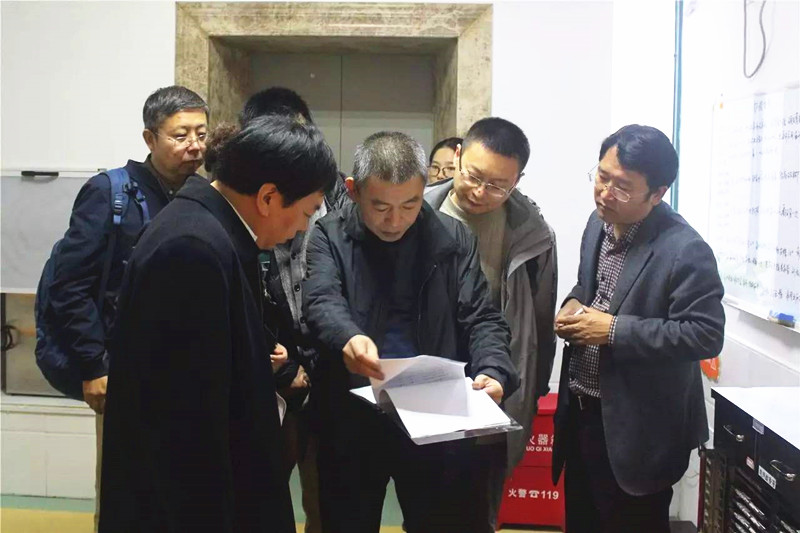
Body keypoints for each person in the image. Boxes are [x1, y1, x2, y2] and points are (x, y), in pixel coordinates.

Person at [99, 114, 339, 533]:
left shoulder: (211, 231)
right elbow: (188, 432)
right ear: (268, 197)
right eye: (306, 211)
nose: (304, 226)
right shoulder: (193, 250)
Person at [303, 131, 519, 533]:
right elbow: (321, 300)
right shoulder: (329, 235)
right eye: (380, 206)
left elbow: (481, 316)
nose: (396, 220)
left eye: (410, 204)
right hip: (352, 415)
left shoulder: (452, 237)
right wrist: (349, 337)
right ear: (353, 190)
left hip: (432, 415)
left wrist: (494, 370)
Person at [47, 85, 208, 531]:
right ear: (150, 138)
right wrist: (93, 365)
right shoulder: (110, 192)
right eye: (180, 135)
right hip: (122, 371)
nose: (194, 145)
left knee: (180, 493)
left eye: (201, 133)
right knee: (124, 493)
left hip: (186, 372)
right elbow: (70, 284)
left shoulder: (203, 194)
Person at [552, 124, 725, 533]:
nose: (605, 193)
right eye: (602, 176)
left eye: (623, 187)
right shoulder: (598, 223)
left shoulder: (684, 249)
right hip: (582, 414)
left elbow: (704, 334)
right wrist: (573, 305)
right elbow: (589, 288)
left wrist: (614, 330)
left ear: (657, 193)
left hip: (639, 432)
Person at [425, 117, 558, 520]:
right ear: (458, 156)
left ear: (518, 181)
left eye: (498, 185)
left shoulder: (533, 235)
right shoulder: (417, 212)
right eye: (473, 176)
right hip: (427, 390)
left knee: (480, 510)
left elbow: (540, 326)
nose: (481, 192)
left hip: (493, 392)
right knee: (424, 510)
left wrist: (531, 393)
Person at [238, 86, 343, 533]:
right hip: (271, 381)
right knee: (259, 498)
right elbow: (244, 305)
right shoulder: (238, 205)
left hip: (330, 376)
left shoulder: (337, 196)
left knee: (329, 503)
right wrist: (284, 368)